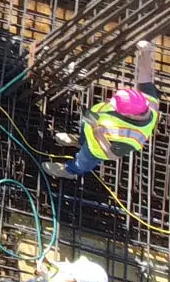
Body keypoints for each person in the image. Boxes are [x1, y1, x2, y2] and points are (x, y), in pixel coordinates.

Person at [44, 40, 161, 179]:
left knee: (84, 160)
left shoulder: (130, 139)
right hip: (93, 123)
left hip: (97, 146)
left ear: (132, 115)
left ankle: (69, 171)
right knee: (84, 134)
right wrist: (145, 52)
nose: (112, 104)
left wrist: (98, 134)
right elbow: (145, 75)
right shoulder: (148, 100)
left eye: (118, 107)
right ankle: (79, 141)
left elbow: (112, 155)